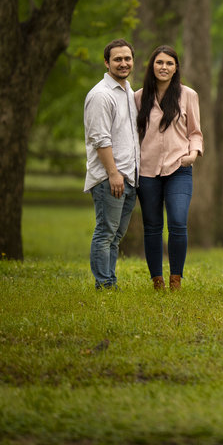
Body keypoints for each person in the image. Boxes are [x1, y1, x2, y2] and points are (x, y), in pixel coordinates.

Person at [135, 46, 203, 291]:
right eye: (159, 62)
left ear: (176, 68)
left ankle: (176, 278)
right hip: (147, 170)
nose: (164, 67)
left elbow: (195, 132)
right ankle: (157, 280)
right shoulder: (138, 97)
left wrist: (192, 154)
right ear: (152, 66)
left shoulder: (188, 95)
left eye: (169, 63)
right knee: (152, 225)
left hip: (179, 168)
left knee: (177, 221)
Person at [83, 38, 141, 290]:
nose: (123, 63)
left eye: (127, 58)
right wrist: (113, 173)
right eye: (117, 59)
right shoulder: (100, 95)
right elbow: (100, 139)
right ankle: (104, 284)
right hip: (111, 178)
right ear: (106, 62)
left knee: (116, 236)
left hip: (128, 177)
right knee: (106, 232)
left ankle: (110, 281)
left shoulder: (128, 92)